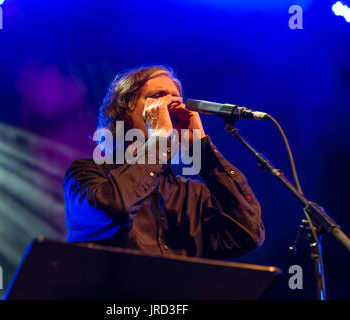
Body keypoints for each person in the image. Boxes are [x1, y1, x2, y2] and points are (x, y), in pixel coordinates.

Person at [63, 65, 264, 259]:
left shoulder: (193, 194)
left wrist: (202, 150)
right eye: (158, 96)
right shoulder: (85, 174)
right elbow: (115, 209)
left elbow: (248, 233)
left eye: (177, 98)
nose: (172, 104)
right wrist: (158, 138)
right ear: (123, 113)